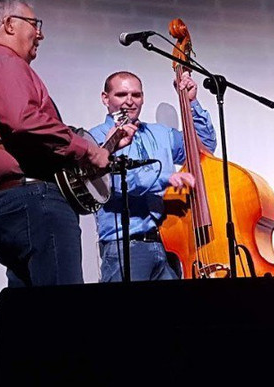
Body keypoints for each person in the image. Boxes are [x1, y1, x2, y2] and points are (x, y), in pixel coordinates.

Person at [0, 0, 123, 288]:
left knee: (32, 319)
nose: (40, 33)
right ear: (9, 25)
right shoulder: (4, 64)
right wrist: (87, 149)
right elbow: (23, 122)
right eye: (34, 24)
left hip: (13, 203)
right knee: (62, 315)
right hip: (36, 202)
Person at [89, 71, 216, 282]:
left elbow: (203, 149)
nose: (129, 101)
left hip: (167, 245)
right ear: (105, 98)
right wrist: (166, 178)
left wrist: (191, 103)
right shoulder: (97, 138)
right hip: (125, 246)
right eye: (121, 94)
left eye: (136, 95)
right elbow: (119, 183)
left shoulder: (162, 133)